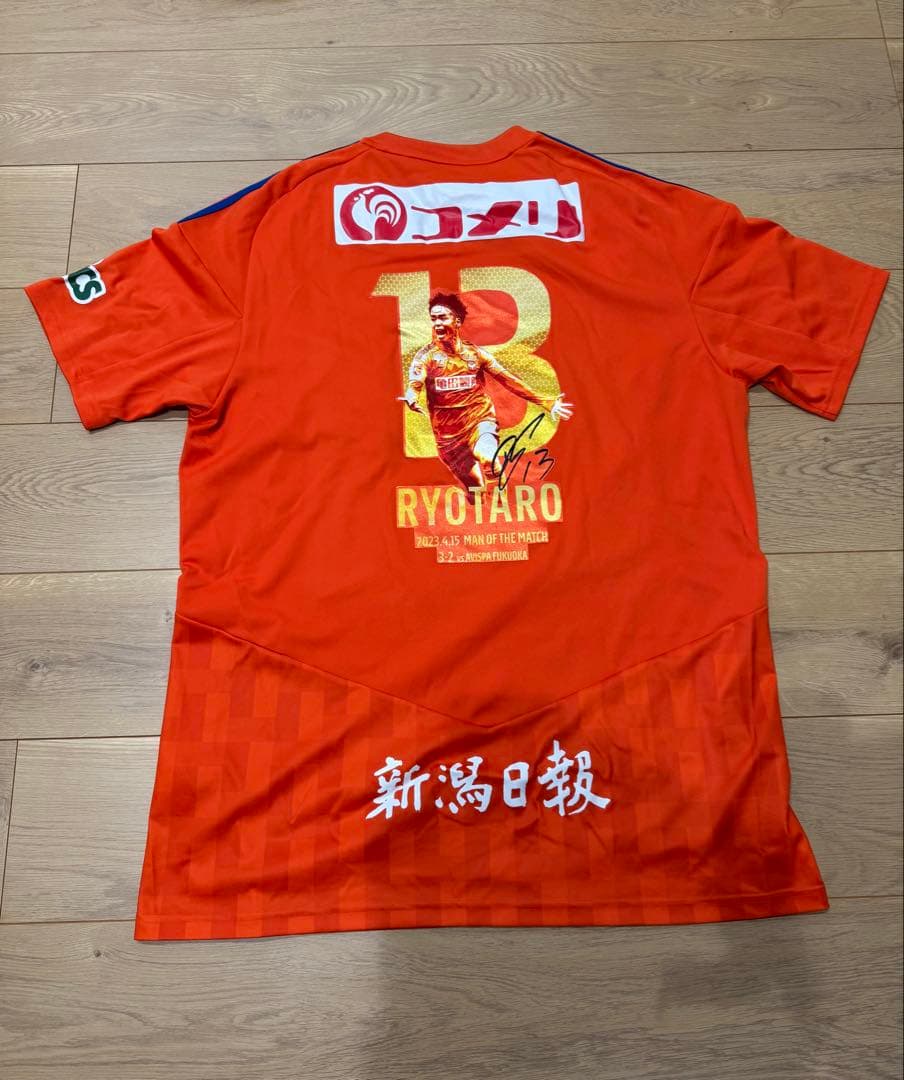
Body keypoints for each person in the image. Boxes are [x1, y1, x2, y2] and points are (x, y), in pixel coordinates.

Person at [397, 291, 574, 497]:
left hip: (479, 421)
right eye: (433, 318)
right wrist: (412, 394)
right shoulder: (425, 357)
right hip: (448, 437)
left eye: (442, 317)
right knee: (476, 489)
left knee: (488, 457)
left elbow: (508, 379)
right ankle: (482, 499)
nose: (437, 323)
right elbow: (416, 380)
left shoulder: (476, 355)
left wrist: (547, 401)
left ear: (457, 321)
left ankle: (502, 501)